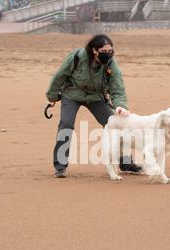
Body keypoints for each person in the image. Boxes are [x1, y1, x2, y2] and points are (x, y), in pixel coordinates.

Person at [46, 34, 142, 178]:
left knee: (117, 126)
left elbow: (117, 88)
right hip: (72, 94)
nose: (108, 54)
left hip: (95, 97)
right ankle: (60, 166)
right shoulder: (77, 57)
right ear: (94, 50)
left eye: (111, 51)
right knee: (66, 124)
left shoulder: (111, 64)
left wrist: (120, 106)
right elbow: (59, 76)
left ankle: (126, 163)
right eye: (104, 51)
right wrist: (52, 97)